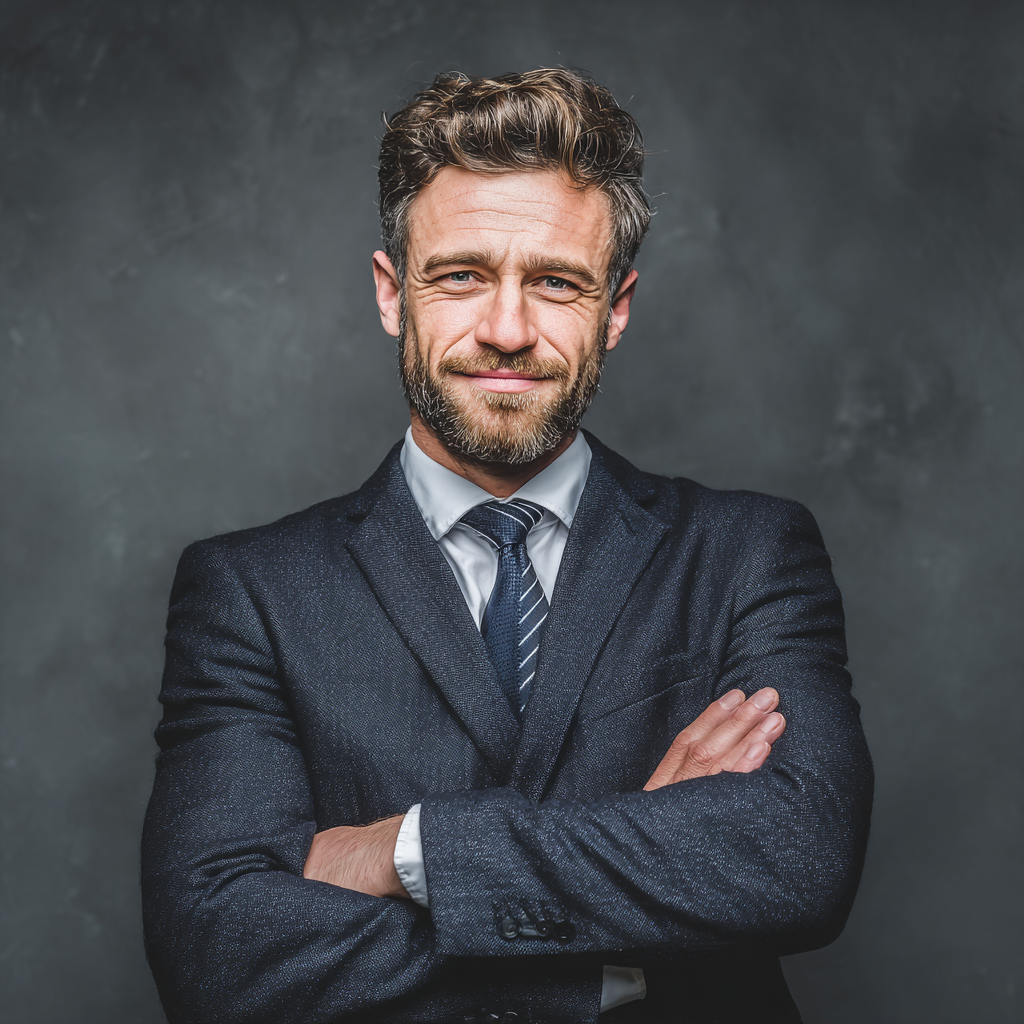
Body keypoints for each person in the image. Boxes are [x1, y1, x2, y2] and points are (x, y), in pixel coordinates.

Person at [142, 69, 872, 1024]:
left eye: (557, 283)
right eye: (461, 275)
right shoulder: (249, 591)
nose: (507, 329)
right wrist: (632, 907)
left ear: (614, 308)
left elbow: (797, 861)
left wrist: (404, 851)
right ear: (391, 293)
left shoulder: (749, 554)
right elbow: (218, 957)